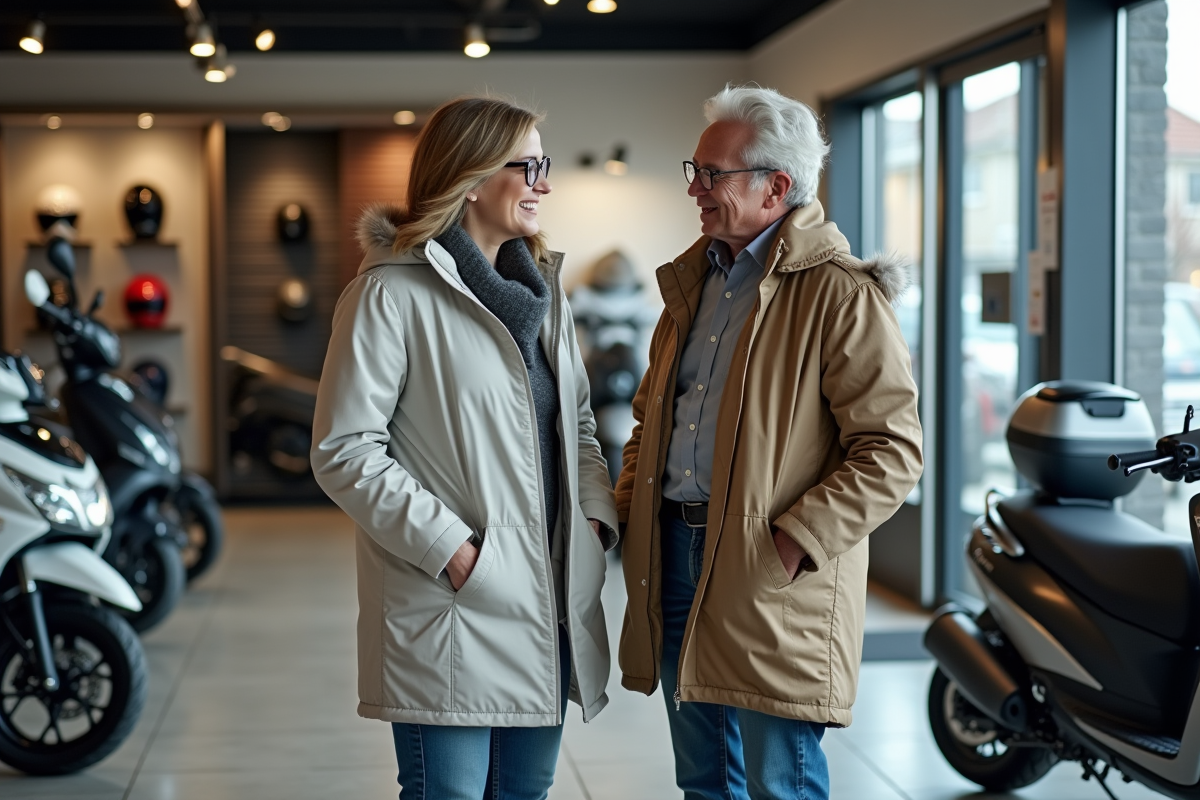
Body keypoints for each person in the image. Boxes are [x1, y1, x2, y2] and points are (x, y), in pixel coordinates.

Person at [615, 84, 924, 800]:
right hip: (673, 555)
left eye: (711, 174)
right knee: (704, 781)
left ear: (776, 187)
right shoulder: (692, 284)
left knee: (778, 784)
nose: (695, 189)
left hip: (770, 569)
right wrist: (630, 509)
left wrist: (793, 541)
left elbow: (892, 450)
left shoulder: (841, 294)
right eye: (694, 171)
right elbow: (652, 420)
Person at [310, 96, 619, 800]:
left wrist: (594, 522)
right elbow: (344, 449)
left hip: (546, 596)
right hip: (452, 599)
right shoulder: (389, 294)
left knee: (524, 793)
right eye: (529, 166)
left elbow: (577, 425)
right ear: (472, 177)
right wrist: (453, 551)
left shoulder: (543, 294)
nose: (545, 183)